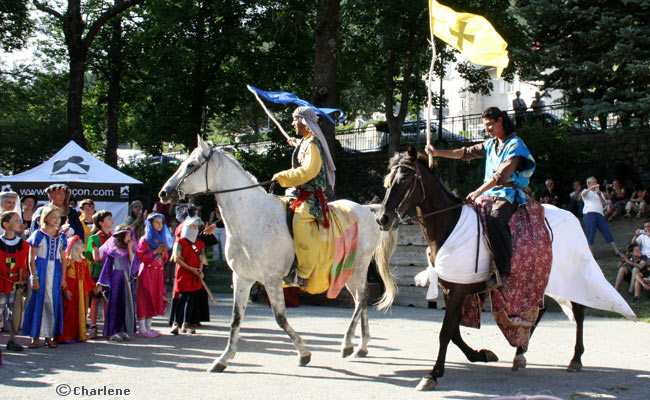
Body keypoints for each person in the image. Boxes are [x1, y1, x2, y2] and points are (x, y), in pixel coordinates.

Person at [425, 107, 536, 276]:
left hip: (508, 194)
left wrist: (477, 191)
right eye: (485, 126)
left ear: (500, 120)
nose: (487, 129)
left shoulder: (516, 145)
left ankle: (503, 269)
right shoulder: (491, 144)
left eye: (490, 125)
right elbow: (465, 153)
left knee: (495, 218)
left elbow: (501, 177)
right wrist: (437, 152)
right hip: (488, 194)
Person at [271, 106, 337, 288]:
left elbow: (308, 171)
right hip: (297, 193)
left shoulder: (313, 145)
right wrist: (296, 143)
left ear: (304, 122)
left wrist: (283, 176)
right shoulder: (306, 142)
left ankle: (304, 272)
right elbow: (304, 148)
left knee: (300, 222)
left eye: (294, 120)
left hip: (311, 198)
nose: (292, 123)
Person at [23, 205, 67, 348]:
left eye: (58, 217)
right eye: (53, 217)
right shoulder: (38, 234)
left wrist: (63, 278)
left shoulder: (61, 236)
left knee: (52, 302)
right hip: (41, 270)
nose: (56, 220)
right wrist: (33, 277)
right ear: (45, 218)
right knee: (38, 301)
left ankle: (49, 336)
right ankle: (34, 336)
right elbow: (31, 258)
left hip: (55, 272)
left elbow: (63, 258)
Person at [97, 225, 139, 341]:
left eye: (130, 236)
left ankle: (124, 330)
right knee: (115, 304)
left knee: (126, 304)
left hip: (127, 279)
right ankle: (113, 331)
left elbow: (133, 265)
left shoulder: (130, 250)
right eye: (127, 236)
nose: (129, 238)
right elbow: (107, 267)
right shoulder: (113, 252)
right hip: (116, 279)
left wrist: (130, 249)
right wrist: (102, 283)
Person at [135, 214, 172, 338]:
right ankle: (142, 328)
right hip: (147, 272)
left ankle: (149, 327)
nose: (159, 225)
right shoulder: (144, 240)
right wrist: (155, 252)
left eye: (161, 222)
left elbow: (164, 259)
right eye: (157, 222)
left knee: (155, 298)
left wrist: (164, 252)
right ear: (150, 224)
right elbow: (140, 257)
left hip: (158, 272)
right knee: (144, 298)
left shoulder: (162, 239)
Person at [170, 216, 207, 335]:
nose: (195, 228)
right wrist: (191, 269)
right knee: (182, 298)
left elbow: (202, 259)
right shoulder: (179, 242)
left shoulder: (200, 243)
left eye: (196, 226)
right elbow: (177, 258)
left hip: (195, 275)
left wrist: (200, 272)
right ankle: (176, 323)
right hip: (183, 274)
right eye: (192, 226)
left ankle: (187, 323)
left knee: (192, 299)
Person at [56, 235, 97, 343]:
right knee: (69, 313)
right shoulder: (68, 262)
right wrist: (65, 289)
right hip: (71, 289)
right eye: (78, 244)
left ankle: (78, 335)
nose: (82, 245)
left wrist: (94, 286)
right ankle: (66, 336)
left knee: (81, 312)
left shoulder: (84, 262)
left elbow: (87, 277)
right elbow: (63, 276)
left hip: (81, 291)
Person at [0, 211, 29, 351]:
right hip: (1, 283)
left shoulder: (23, 245)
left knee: (15, 313)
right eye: (16, 220)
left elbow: (26, 264)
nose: (20, 223)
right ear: (5, 225)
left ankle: (12, 340)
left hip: (16, 284)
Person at [581, 176, 622, 256]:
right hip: (589, 213)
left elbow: (603, 204)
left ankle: (616, 251)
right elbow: (583, 194)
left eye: (596, 182)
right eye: (593, 182)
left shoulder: (600, 193)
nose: (596, 184)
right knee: (591, 234)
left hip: (600, 214)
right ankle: (591, 254)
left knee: (607, 231)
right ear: (589, 184)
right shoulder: (586, 191)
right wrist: (591, 188)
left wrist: (599, 195)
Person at [207, 198, 226, 262]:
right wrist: (218, 220)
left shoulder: (223, 213)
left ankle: (226, 262)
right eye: (217, 207)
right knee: (215, 247)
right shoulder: (213, 213)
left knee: (224, 246)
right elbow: (210, 223)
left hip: (223, 230)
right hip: (215, 229)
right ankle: (216, 263)